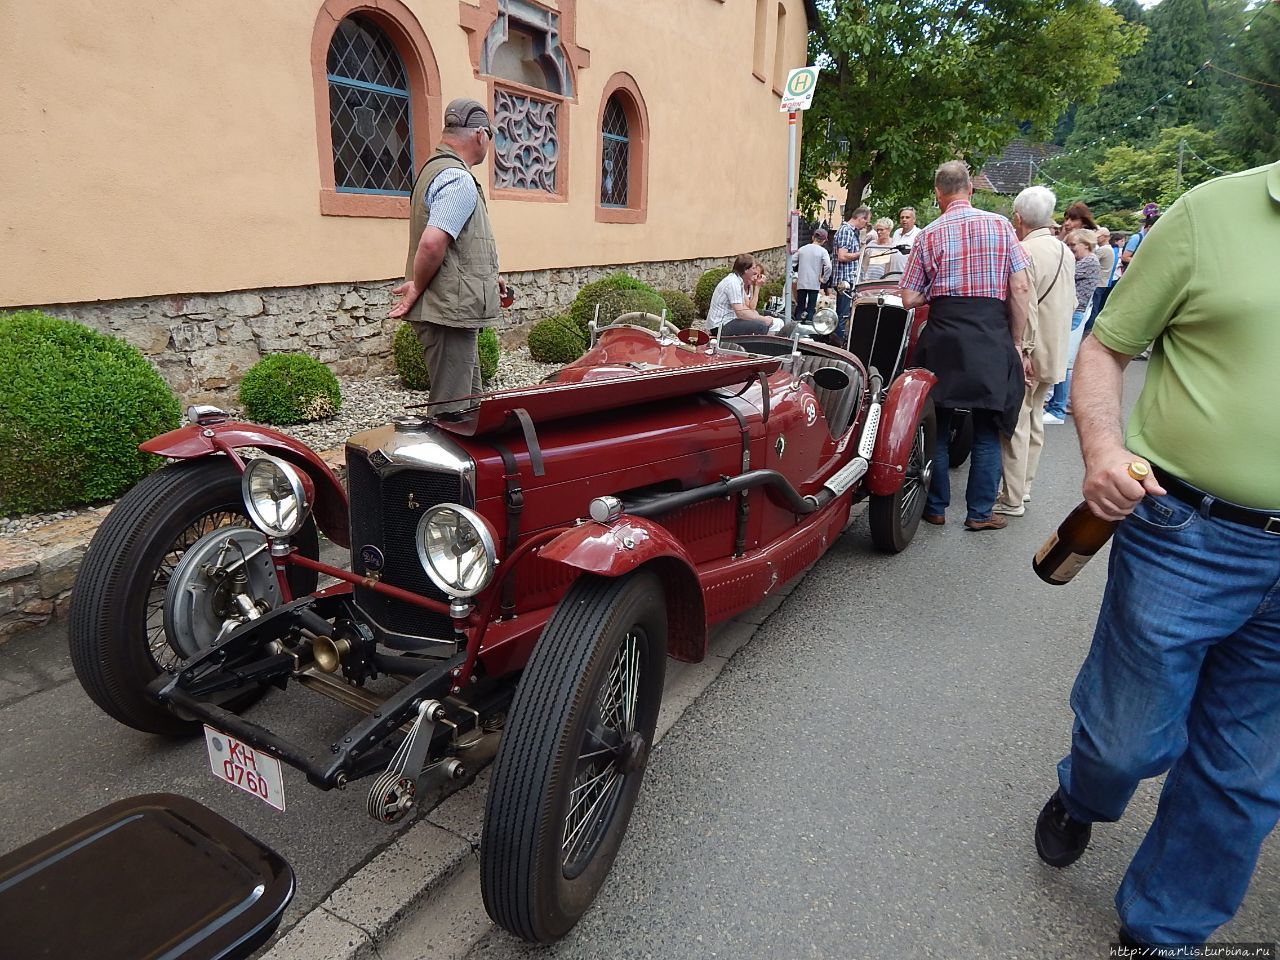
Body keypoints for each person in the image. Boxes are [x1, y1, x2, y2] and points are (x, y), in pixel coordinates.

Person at [1034, 160, 1280, 950]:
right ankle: (1085, 792)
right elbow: (1105, 348)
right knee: (1126, 741)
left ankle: (1161, 931)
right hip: (1187, 533)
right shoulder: (1212, 214)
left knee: (1244, 777)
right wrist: (1102, 449)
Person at [898, 161, 1032, 531]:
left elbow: (909, 297)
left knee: (937, 424)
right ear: (970, 189)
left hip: (943, 337)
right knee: (988, 427)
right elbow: (1020, 288)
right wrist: (1017, 342)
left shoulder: (927, 235)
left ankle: (936, 506)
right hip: (990, 335)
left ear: (937, 194)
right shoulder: (1002, 226)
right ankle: (979, 514)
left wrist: (937, 288)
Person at [390, 97, 506, 414]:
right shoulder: (458, 179)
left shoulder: (439, 171)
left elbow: (458, 248)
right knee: (451, 411)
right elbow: (432, 244)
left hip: (451, 310)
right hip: (447, 312)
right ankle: (437, 465)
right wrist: (416, 285)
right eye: (490, 138)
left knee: (468, 404)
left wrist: (489, 277)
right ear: (481, 135)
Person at [994, 186, 1074, 516]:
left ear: (1018, 216)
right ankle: (1024, 487)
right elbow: (1072, 302)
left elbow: (1023, 304)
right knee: (1036, 420)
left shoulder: (1024, 250)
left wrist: (1022, 350)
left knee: (1016, 423)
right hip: (1055, 348)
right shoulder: (1064, 251)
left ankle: (1011, 498)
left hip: (1029, 350)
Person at [1043, 229, 1100, 423]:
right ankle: (1055, 403)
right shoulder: (1085, 261)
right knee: (1062, 359)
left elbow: (1059, 273)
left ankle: (1058, 408)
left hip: (1074, 313)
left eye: (1073, 245)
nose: (1070, 249)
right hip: (1073, 312)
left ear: (1086, 244)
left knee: (1064, 361)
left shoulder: (1089, 262)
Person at [706, 254, 779, 336]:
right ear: (746, 270)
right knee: (761, 325)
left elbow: (745, 308)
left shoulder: (738, 281)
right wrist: (763, 320)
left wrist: (761, 317)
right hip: (719, 326)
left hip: (728, 322)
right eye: (753, 268)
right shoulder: (732, 283)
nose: (755, 272)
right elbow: (741, 313)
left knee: (764, 322)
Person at [832, 205, 871, 336]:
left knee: (845, 314)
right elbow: (842, 256)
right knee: (842, 315)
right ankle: (837, 344)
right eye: (866, 221)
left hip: (849, 279)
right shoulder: (846, 231)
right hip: (845, 280)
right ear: (860, 218)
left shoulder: (852, 232)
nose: (866, 225)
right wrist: (861, 254)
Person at [795, 229, 832, 325]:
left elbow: (791, 262)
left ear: (813, 237)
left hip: (801, 283)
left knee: (800, 307)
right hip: (814, 283)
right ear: (824, 240)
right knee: (811, 308)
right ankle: (808, 328)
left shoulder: (802, 249)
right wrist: (824, 279)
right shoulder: (823, 251)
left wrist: (793, 276)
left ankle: (798, 326)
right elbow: (828, 266)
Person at [1085, 226, 1115, 333]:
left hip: (1098, 283)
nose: (1096, 239)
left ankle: (1088, 328)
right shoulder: (1110, 248)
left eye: (1098, 237)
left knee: (1093, 307)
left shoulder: (1103, 250)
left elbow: (1088, 260)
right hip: (1103, 282)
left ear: (1105, 237)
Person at [888, 206, 922, 276]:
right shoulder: (897, 232)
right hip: (892, 276)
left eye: (907, 217)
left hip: (908, 278)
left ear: (914, 219)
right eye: (902, 217)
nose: (904, 219)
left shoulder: (919, 234)